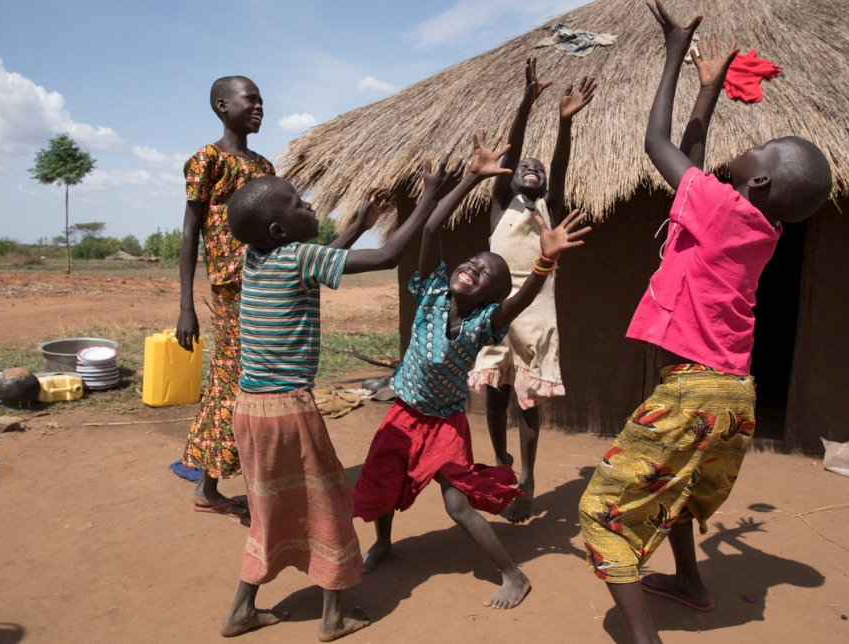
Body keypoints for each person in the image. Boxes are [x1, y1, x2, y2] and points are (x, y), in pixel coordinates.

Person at [577, 3, 832, 643]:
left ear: (763, 178)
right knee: (680, 491)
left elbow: (657, 145)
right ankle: (691, 583)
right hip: (733, 397)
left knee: (602, 513)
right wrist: (709, 88)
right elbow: (689, 163)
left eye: (759, 149)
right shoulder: (759, 228)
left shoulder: (721, 209)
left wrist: (673, 51)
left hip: (693, 390)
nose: (745, 149)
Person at [217, 156, 463, 640]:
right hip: (288, 409)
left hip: (248, 409)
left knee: (268, 509)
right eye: (296, 203)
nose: (307, 204)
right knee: (330, 503)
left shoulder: (259, 256)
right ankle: (333, 617)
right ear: (278, 228)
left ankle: (241, 610)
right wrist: (429, 194)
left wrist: (357, 224)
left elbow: (316, 258)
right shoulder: (298, 257)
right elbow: (389, 256)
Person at [353, 131, 592, 609]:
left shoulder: (486, 324)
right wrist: (467, 180)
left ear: (489, 296)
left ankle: (513, 575)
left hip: (443, 424)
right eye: (471, 262)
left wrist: (544, 261)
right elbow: (428, 231)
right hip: (402, 411)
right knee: (383, 481)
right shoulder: (432, 291)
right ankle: (383, 542)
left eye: (484, 273)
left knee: (457, 504)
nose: (472, 268)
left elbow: (521, 299)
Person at [175, 76, 375, 517]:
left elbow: (291, 244)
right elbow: (191, 233)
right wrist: (186, 305)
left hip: (270, 280)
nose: (259, 106)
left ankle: (246, 484)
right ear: (221, 105)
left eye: (262, 99)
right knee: (240, 378)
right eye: (250, 99)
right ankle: (234, 487)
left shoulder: (264, 167)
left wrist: (354, 228)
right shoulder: (205, 161)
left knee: (247, 381)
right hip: (233, 286)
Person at [468, 58, 597, 523]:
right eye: (523, 166)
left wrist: (564, 125)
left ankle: (527, 476)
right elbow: (511, 150)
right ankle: (502, 463)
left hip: (538, 309)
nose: (531, 168)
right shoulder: (500, 206)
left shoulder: (550, 208)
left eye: (536, 170)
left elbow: (558, 166)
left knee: (526, 402)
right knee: (496, 396)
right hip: (498, 308)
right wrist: (527, 101)